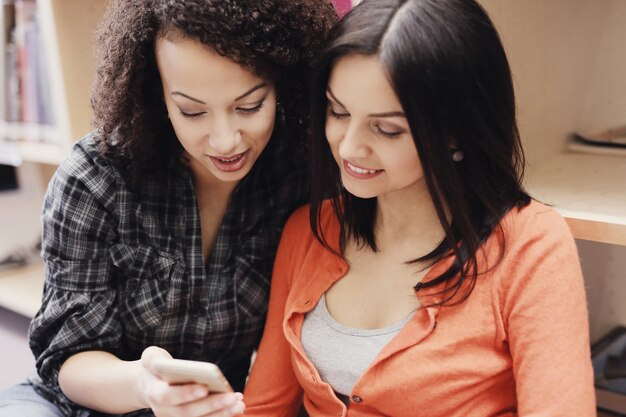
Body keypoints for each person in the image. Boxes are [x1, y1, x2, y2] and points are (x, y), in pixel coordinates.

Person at [241, 0, 596, 416]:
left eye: (387, 129)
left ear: (457, 132)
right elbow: (262, 407)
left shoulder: (531, 246)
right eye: (338, 112)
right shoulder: (310, 229)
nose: (350, 146)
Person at [0, 0, 336, 416]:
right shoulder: (96, 178)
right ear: (156, 93)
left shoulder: (299, 175)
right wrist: (146, 384)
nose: (226, 140)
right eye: (192, 111)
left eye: (249, 106)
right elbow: (68, 358)